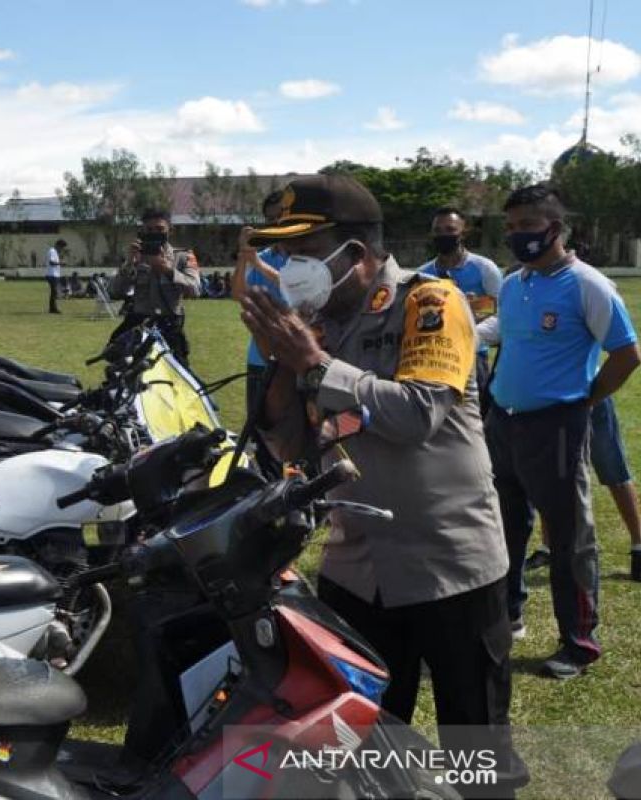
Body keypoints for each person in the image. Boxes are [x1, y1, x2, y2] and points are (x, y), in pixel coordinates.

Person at [240, 174, 526, 792]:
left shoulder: (431, 302)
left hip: (448, 564)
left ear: (357, 253)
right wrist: (284, 364)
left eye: (305, 251)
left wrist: (315, 363)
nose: (290, 268)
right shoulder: (315, 323)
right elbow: (291, 446)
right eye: (284, 254)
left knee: (474, 749)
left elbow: (418, 412)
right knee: (365, 742)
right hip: (357, 571)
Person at [482, 184, 640, 679]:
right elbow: (505, 333)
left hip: (556, 426)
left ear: (555, 227)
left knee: (570, 537)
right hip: (502, 423)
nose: (516, 235)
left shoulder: (588, 285)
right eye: (510, 227)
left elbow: (627, 353)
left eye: (526, 225)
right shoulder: (514, 282)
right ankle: (508, 617)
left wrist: (584, 401)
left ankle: (578, 643)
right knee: (503, 528)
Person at [524, 396, 641, 582]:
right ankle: (548, 548)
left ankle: (639, 545)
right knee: (549, 472)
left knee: (613, 470)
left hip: (589, 394)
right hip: (547, 399)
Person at [418, 207, 503, 414]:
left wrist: (471, 310)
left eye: (450, 229)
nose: (443, 235)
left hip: (474, 358)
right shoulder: (423, 273)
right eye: (438, 230)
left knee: (476, 418)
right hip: (435, 358)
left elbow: (502, 310)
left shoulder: (484, 268)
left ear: (463, 233)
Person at [233, 190, 290, 478]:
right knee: (260, 427)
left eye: (281, 216)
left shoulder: (306, 255)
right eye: (270, 220)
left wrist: (259, 265)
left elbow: (297, 288)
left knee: (297, 427)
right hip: (259, 357)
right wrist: (245, 256)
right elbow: (239, 294)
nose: (276, 224)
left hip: (294, 358)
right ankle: (270, 488)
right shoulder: (263, 256)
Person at [108, 208, 201, 366]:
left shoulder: (184, 256)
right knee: (123, 373)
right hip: (138, 323)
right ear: (142, 231)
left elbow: (195, 289)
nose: (154, 233)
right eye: (149, 229)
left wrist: (167, 270)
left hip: (169, 325)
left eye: (160, 229)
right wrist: (130, 264)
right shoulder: (136, 256)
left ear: (170, 230)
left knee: (178, 376)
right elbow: (115, 292)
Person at [45, 239, 65, 314]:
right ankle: (53, 309)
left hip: (54, 274)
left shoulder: (54, 251)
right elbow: (51, 262)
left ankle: (52, 308)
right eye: (61, 247)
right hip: (52, 274)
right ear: (58, 245)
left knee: (54, 292)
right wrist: (60, 263)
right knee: (54, 292)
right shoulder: (52, 251)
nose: (62, 249)